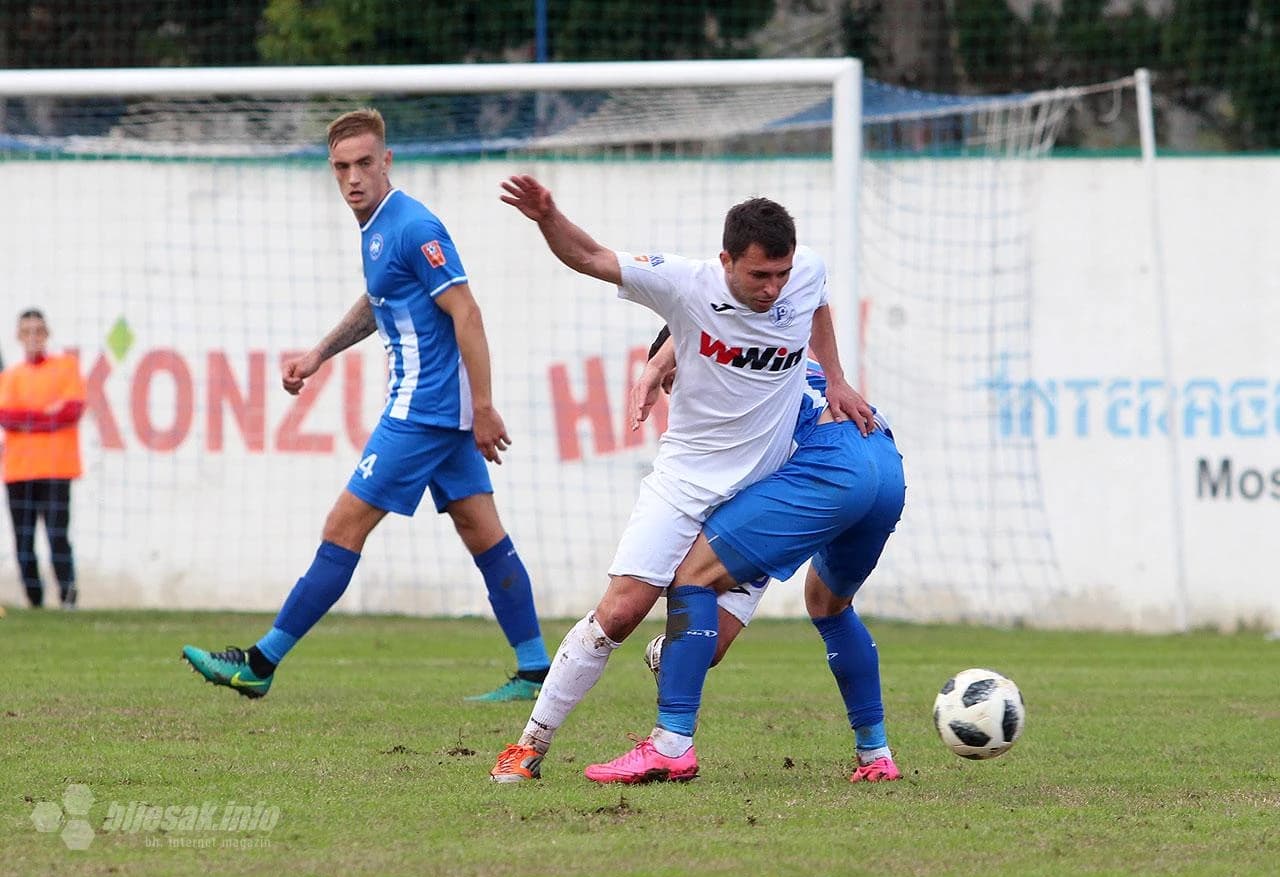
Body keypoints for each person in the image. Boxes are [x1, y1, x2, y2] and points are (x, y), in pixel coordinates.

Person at [489, 174, 874, 783]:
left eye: (781, 274)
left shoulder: (804, 273)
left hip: (760, 495)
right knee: (619, 613)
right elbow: (590, 257)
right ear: (726, 261)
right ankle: (529, 745)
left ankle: (671, 688)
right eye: (759, 276)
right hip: (684, 485)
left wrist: (838, 378)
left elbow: (816, 303)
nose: (773, 289)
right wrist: (547, 217)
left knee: (707, 648)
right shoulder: (685, 283)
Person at [182, 109, 550, 701]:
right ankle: (534, 671)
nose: (353, 177)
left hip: (422, 411)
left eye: (363, 164)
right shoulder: (379, 228)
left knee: (343, 526)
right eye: (341, 167)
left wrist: (484, 406)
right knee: (482, 531)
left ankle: (258, 663)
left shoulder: (413, 227)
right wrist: (319, 353)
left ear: (386, 162)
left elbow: (467, 312)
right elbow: (381, 300)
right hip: (440, 412)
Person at [627, 336, 904, 784]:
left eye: (674, 382)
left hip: (831, 464)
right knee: (828, 605)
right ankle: (876, 754)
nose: (677, 396)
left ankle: (670, 745)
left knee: (692, 576)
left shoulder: (728, 376)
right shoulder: (777, 351)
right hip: (884, 461)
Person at [0, 309, 87, 609]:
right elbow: (6, 416)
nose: (33, 337)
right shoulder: (11, 376)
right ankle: (34, 600)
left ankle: (67, 595)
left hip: (56, 468)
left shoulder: (66, 368)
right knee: (24, 541)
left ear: (47, 334)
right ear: (18, 336)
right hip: (19, 470)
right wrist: (45, 415)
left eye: (38, 331)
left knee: (57, 536)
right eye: (27, 331)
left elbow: (71, 411)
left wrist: (28, 419)